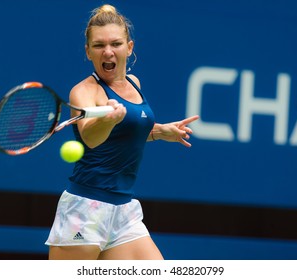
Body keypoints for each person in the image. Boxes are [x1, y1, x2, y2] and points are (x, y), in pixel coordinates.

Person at [45, 4, 199, 260]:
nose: (108, 51)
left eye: (115, 43)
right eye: (98, 45)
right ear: (88, 52)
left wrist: (160, 131)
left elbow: (128, 132)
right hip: (85, 208)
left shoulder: (134, 83)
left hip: (123, 211)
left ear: (129, 47)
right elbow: (91, 139)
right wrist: (108, 120)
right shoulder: (83, 92)